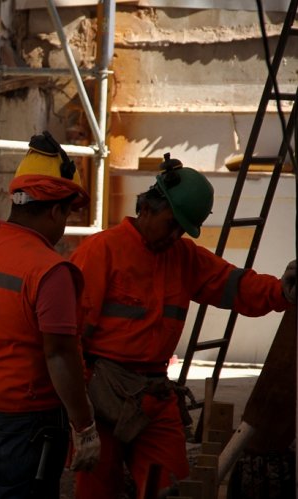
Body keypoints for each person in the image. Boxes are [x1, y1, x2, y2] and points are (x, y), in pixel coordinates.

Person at [70, 153, 297, 499]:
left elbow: (236, 285)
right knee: (97, 490)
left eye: (182, 228)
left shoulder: (184, 257)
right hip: (101, 393)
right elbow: (69, 336)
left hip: (153, 394)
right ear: (147, 208)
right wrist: (78, 413)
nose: (175, 234)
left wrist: (280, 290)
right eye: (171, 223)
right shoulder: (101, 252)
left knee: (174, 490)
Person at [0, 131, 101, 498]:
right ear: (55, 210)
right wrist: (85, 427)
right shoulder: (50, 271)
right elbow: (61, 356)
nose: (64, 224)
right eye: (66, 213)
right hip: (25, 431)